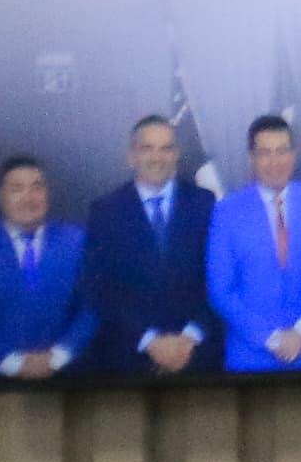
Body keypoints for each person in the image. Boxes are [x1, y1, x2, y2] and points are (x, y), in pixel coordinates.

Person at [79, 113, 219, 377]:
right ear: (131, 155)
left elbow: (218, 278)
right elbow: (99, 289)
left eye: (166, 148)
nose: (157, 157)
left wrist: (189, 337)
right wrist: (151, 342)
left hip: (198, 358)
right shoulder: (105, 211)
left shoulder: (204, 203)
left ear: (176, 154)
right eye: (147, 148)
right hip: (131, 362)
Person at [203, 114, 301, 373]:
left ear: (294, 155)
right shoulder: (227, 211)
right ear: (251, 158)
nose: (275, 162)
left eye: (282, 151)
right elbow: (220, 290)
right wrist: (272, 339)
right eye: (264, 153)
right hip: (250, 361)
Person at [0, 155, 91, 383]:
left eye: (37, 188)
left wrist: (59, 356)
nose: (28, 198)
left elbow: (93, 306)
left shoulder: (79, 241)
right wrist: (12, 364)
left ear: (47, 194)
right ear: (0, 197)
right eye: (17, 189)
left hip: (72, 376)